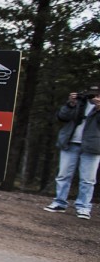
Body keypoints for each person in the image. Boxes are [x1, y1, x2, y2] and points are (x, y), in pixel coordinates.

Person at [43, 85, 100, 219]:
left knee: (87, 179)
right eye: (91, 94)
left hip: (92, 146)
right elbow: (62, 117)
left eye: (96, 94)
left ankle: (84, 207)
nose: (93, 97)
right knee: (63, 175)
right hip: (70, 142)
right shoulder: (79, 102)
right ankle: (59, 202)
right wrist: (71, 104)